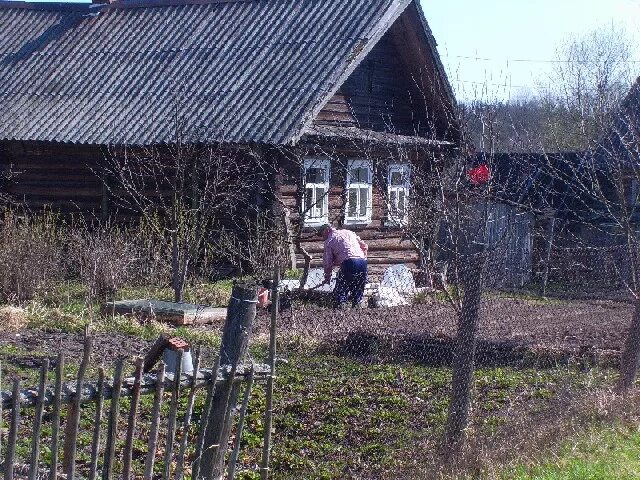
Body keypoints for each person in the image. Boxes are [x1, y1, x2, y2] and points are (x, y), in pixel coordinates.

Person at [320, 224, 369, 308]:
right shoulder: (349, 232)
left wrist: (327, 278)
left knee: (341, 287)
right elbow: (364, 247)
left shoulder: (329, 241)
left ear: (327, 230)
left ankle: (341, 308)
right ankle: (358, 307)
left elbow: (328, 263)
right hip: (362, 262)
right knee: (357, 288)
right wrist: (363, 258)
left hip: (349, 262)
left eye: (322, 234)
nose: (322, 237)